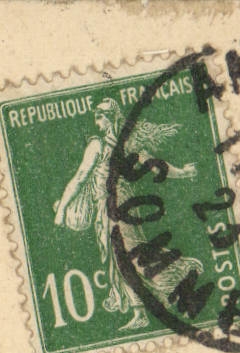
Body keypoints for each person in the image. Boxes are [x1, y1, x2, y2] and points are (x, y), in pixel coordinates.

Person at [52, 98, 200, 332]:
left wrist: (62, 210)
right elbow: (156, 165)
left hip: (113, 210)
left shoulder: (98, 146)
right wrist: (182, 173)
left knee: (123, 258)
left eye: (100, 115)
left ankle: (146, 305)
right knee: (128, 255)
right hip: (124, 208)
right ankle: (162, 286)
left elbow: (80, 177)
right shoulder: (125, 145)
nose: (96, 120)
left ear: (109, 117)